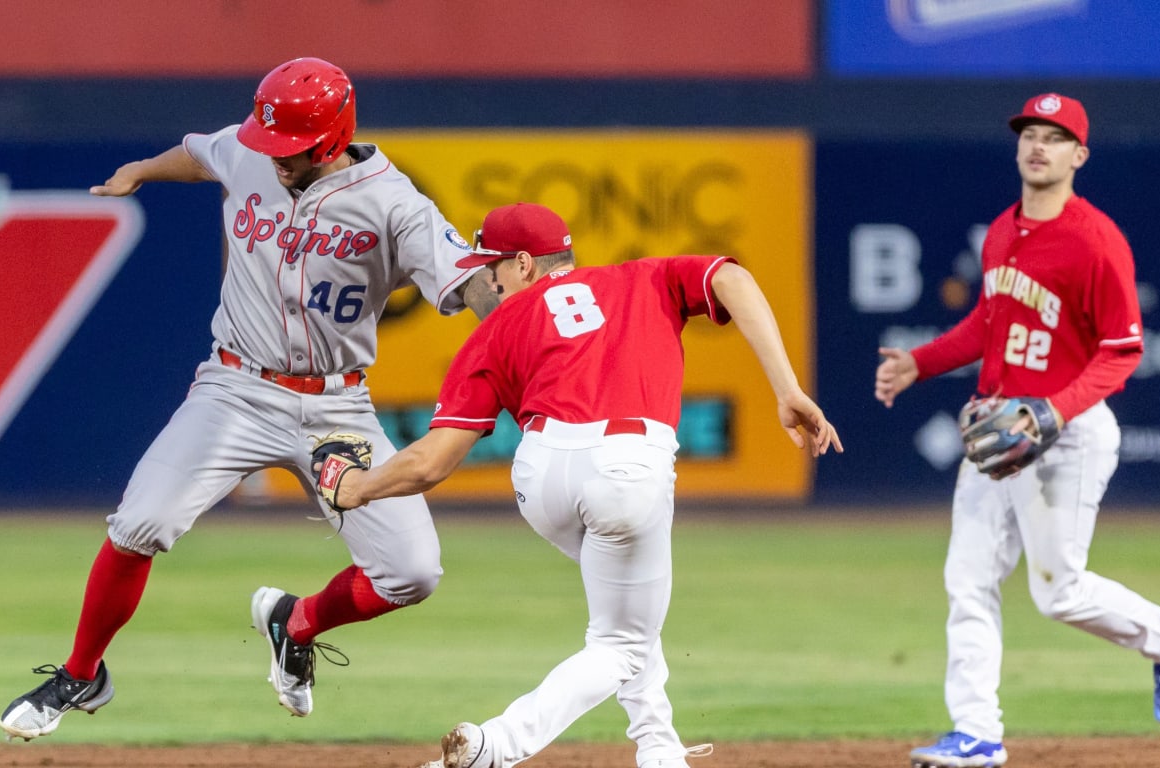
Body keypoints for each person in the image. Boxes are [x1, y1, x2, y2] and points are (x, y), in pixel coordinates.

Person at [0, 56, 498, 740]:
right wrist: (143, 169)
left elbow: (468, 285)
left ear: (331, 138)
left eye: (292, 149)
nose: (276, 159)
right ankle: (83, 674)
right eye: (271, 145)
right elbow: (201, 154)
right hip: (235, 389)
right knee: (139, 523)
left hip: (336, 408)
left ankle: (297, 622)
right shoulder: (253, 151)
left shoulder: (396, 204)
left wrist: (514, 326)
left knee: (412, 573)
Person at [313, 202, 843, 768]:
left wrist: (359, 488)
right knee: (621, 640)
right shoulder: (642, 277)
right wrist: (786, 389)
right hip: (626, 468)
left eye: (492, 268)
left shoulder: (498, 330)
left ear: (524, 264)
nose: (487, 282)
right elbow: (732, 277)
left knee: (628, 612)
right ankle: (496, 746)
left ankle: (659, 747)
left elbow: (432, 463)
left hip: (541, 477)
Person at [875, 93, 1160, 768]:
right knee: (966, 577)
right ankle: (978, 734)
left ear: (1078, 155)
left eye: (1055, 138)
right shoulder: (1001, 231)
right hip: (998, 426)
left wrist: (1055, 409)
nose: (1038, 146)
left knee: (1058, 593)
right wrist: (920, 362)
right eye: (1030, 133)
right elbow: (987, 325)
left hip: (1069, 432)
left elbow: (1122, 349)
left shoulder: (1096, 240)